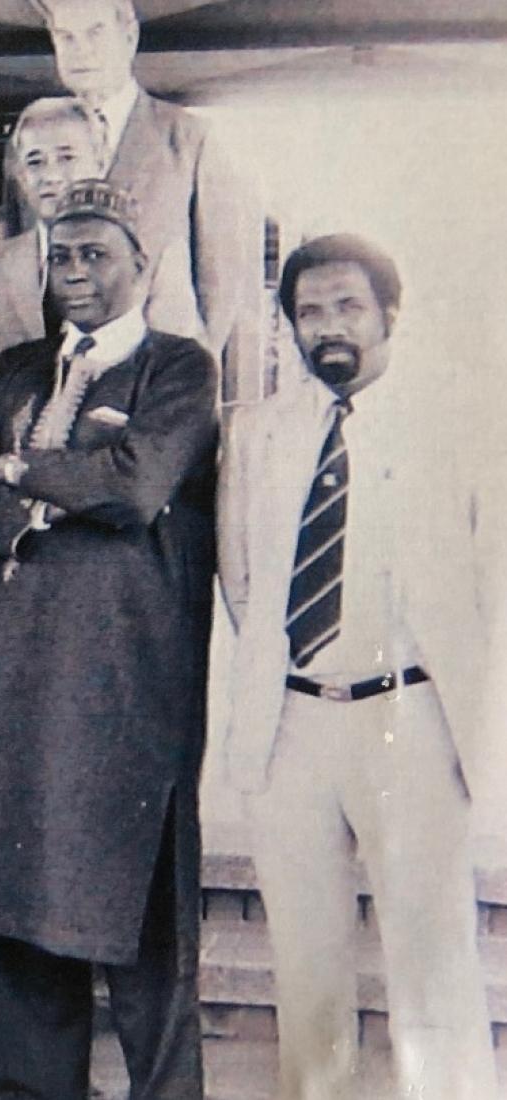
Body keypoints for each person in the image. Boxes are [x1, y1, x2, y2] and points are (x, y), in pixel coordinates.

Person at [0, 181, 218, 1098]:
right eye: (61, 256)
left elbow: (138, 485)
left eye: (96, 255)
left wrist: (22, 466)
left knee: (148, 942)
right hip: (12, 682)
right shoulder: (16, 368)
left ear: (142, 267)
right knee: (23, 921)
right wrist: (31, 514)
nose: (74, 273)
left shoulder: (179, 367)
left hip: (129, 683)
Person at [218, 235, 500, 1099]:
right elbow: (242, 579)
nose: (328, 326)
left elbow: (492, 580)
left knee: (433, 974)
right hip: (291, 723)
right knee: (307, 975)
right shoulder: (261, 432)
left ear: (388, 315)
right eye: (309, 312)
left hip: (405, 722)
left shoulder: (459, 423)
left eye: (347, 306)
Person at [40, 0, 258, 363]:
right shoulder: (32, 143)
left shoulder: (190, 138)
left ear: (129, 35)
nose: (82, 52)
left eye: (95, 33)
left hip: (158, 373)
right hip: (56, 372)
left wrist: (191, 371)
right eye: (66, 38)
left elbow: (222, 281)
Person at [0, 96, 201, 395]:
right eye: (35, 161)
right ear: (20, 175)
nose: (51, 176)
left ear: (100, 161)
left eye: (67, 158)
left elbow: (178, 380)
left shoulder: (153, 258)